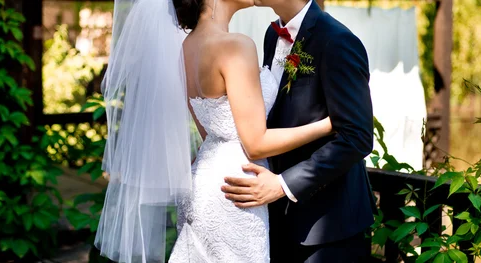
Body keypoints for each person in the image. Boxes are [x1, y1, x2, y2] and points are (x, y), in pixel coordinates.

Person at [93, 0, 334, 262]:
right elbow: (255, 143)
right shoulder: (235, 46)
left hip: (204, 183)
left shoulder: (186, 48)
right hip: (237, 187)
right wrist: (329, 124)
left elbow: (209, 131)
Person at [221, 0, 376, 262]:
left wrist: (282, 185)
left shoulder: (338, 41)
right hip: (279, 221)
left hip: (329, 227)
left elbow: (357, 136)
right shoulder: (271, 35)